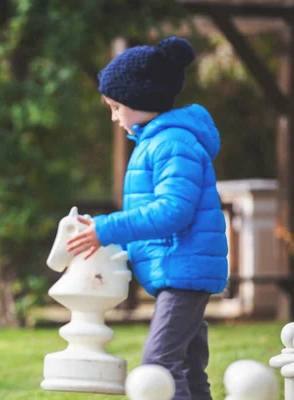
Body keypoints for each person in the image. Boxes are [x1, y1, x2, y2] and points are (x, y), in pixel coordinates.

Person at [67, 37, 228, 400]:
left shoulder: (172, 144)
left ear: (142, 100)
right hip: (179, 270)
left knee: (160, 366)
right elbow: (151, 214)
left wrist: (109, 228)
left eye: (116, 107)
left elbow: (173, 211)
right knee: (186, 366)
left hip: (184, 271)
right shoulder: (158, 143)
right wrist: (102, 232)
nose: (114, 117)